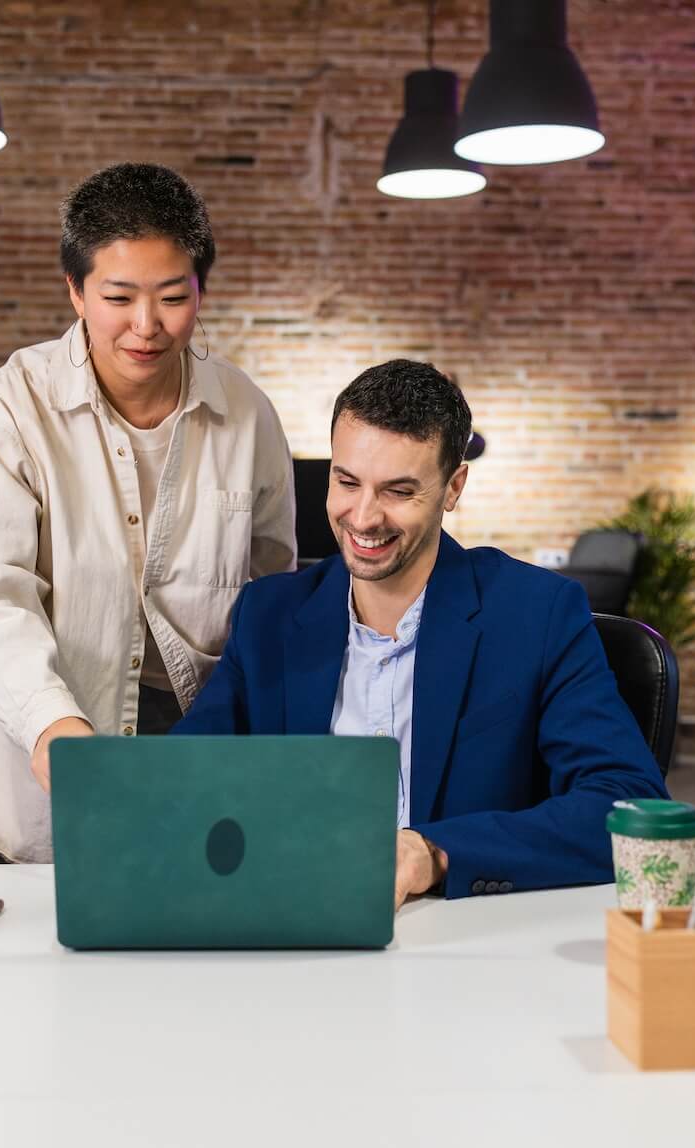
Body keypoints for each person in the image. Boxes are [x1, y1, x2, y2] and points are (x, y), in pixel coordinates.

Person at [173, 360, 667, 907]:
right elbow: (187, 781)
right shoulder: (268, 615)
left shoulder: (537, 614)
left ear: (453, 486)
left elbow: (628, 807)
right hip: (297, 928)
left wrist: (435, 853)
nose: (362, 517)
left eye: (398, 491)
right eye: (346, 481)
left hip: (466, 941)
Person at [0, 162, 296, 863]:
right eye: (119, 296)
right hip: (22, 752)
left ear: (200, 292)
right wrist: (50, 725)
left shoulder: (246, 414)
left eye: (172, 297)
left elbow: (272, 593)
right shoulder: (13, 404)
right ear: (75, 291)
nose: (146, 326)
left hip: (185, 759)